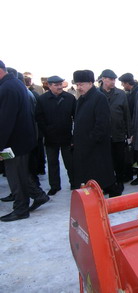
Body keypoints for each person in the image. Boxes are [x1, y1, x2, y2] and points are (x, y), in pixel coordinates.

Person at [0, 61, 49, 222]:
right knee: (20, 173)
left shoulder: (7, 88)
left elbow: (5, 121)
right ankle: (38, 195)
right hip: (21, 140)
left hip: (13, 143)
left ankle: (21, 209)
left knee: (15, 176)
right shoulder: (15, 83)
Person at [72, 70, 119, 197]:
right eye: (77, 85)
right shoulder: (82, 98)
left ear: (90, 83)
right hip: (85, 144)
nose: (79, 87)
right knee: (91, 173)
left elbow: (102, 124)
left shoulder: (99, 98)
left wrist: (91, 139)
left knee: (101, 174)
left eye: (81, 84)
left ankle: (113, 194)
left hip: (96, 145)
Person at [35, 75, 76, 194]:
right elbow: (39, 117)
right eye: (56, 85)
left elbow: (76, 116)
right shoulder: (42, 99)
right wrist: (47, 130)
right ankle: (54, 186)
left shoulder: (69, 98)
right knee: (52, 163)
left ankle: (74, 183)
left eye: (60, 84)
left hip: (66, 136)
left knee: (70, 162)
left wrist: (74, 135)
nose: (59, 87)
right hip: (50, 138)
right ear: (49, 86)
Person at [98, 69, 131, 193]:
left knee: (119, 160)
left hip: (118, 133)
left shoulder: (120, 94)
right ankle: (107, 184)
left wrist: (129, 133)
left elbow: (126, 114)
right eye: (110, 79)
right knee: (105, 161)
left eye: (114, 80)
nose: (113, 82)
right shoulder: (96, 93)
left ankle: (119, 182)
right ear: (103, 79)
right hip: (103, 135)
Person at [119, 73, 138, 184]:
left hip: (137, 128)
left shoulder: (137, 93)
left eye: (123, 84)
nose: (123, 86)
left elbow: (134, 112)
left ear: (127, 83)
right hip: (134, 127)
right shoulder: (132, 92)